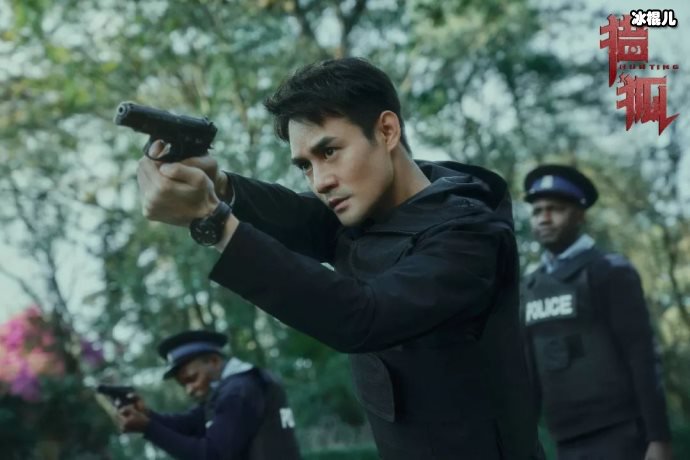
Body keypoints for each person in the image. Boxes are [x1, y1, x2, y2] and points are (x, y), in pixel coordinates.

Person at [136, 57, 540, 459]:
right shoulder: (364, 214)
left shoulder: (470, 235)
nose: (321, 181)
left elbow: (363, 317)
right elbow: (296, 214)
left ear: (386, 130)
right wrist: (218, 184)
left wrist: (213, 220)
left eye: (329, 151)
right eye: (305, 166)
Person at [520, 164, 673, 460]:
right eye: (537, 211)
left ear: (580, 215)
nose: (544, 218)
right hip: (564, 440)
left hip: (621, 434)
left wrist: (659, 438)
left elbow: (642, 357)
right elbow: (529, 372)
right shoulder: (529, 286)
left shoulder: (609, 271)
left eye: (555, 209)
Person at [117, 329, 301, 460]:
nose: (189, 390)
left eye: (192, 378)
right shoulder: (239, 385)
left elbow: (211, 454)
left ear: (214, 361)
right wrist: (147, 415)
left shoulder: (237, 392)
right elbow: (190, 424)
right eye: (183, 384)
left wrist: (148, 428)